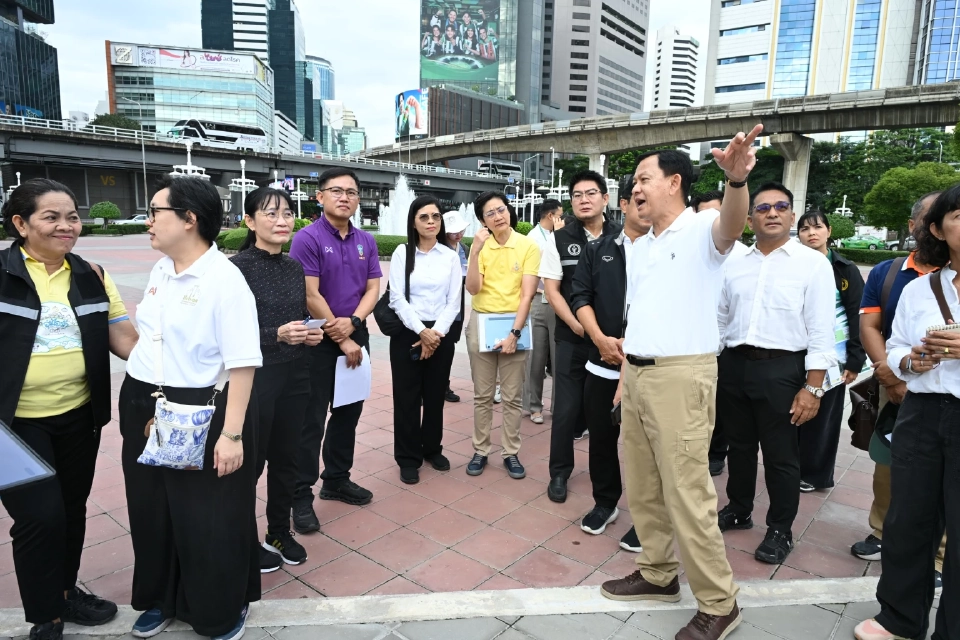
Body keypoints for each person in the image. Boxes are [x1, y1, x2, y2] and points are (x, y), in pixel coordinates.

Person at [600, 126, 763, 640]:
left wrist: (736, 181)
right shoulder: (642, 244)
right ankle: (657, 573)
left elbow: (732, 225)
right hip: (638, 373)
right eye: (633, 182)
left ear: (674, 183)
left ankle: (719, 603)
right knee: (643, 484)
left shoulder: (701, 229)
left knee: (688, 493)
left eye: (644, 178)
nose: (635, 188)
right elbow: (641, 313)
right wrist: (627, 375)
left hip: (681, 376)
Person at [121, 175, 262, 640]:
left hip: (202, 409)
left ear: (189, 219)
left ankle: (221, 607)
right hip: (146, 403)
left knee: (209, 517)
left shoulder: (225, 280)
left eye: (155, 212)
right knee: (153, 509)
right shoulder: (162, 270)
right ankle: (161, 599)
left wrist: (232, 434)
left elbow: (243, 363)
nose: (148, 221)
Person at [0, 179, 138, 640]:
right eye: (52, 217)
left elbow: (124, 338)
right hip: (13, 424)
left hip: (79, 416)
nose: (67, 226)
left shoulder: (91, 274)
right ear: (21, 224)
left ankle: (64, 592)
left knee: (71, 509)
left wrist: (181, 357)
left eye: (73, 217)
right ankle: (46, 616)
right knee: (40, 517)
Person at [854, 186, 960, 640]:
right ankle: (899, 619)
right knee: (908, 521)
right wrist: (911, 361)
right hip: (921, 411)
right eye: (959, 215)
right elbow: (895, 347)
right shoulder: (920, 289)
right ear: (938, 228)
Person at [715, 183, 837, 566]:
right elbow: (720, 318)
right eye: (763, 207)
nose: (772, 213)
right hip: (734, 365)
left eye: (781, 206)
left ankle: (780, 528)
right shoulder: (734, 261)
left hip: (783, 369)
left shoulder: (812, 264)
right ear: (749, 218)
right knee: (739, 447)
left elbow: (822, 331)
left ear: (791, 215)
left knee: (781, 455)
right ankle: (739, 508)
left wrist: (813, 389)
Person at [232, 187, 323, 574]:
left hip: (295, 373)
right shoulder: (235, 269)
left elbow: (297, 317)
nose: (282, 220)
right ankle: (241, 538)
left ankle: (278, 531)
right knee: (250, 463)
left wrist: (309, 332)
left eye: (287, 213)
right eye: (271, 214)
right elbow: (227, 334)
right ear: (250, 221)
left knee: (288, 457)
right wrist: (276, 335)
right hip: (254, 377)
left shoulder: (293, 267)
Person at [288, 168, 382, 532]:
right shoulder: (307, 238)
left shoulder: (366, 240)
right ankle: (300, 495)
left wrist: (354, 324)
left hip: (356, 334)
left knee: (348, 413)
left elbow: (373, 288)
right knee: (311, 420)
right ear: (320, 196)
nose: (345, 197)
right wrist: (340, 337)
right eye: (337, 191)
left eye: (352, 192)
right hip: (318, 342)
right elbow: (310, 294)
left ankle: (337, 479)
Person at [569, 173, 647, 547]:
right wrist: (599, 338)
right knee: (601, 437)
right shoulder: (599, 249)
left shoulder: (668, 251)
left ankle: (648, 518)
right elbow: (580, 297)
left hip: (648, 366)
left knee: (645, 445)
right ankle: (605, 501)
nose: (645, 207)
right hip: (601, 360)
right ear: (624, 204)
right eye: (638, 200)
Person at [541, 171, 621, 503]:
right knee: (566, 409)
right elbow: (552, 290)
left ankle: (606, 480)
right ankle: (559, 472)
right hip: (572, 338)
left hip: (613, 344)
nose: (583, 200)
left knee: (606, 414)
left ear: (605, 198)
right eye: (577, 195)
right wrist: (579, 326)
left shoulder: (623, 236)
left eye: (590, 193)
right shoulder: (558, 239)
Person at [465, 192, 540, 480]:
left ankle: (510, 452)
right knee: (483, 395)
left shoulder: (528, 245)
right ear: (482, 220)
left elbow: (527, 295)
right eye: (490, 213)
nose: (498, 216)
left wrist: (514, 333)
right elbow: (473, 288)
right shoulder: (481, 246)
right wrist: (474, 251)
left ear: (508, 210)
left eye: (501, 209)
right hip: (482, 321)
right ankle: (481, 450)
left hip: (514, 322)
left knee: (511, 396)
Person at [388, 196, 462, 485]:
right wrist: (422, 332)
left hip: (440, 334)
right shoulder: (402, 253)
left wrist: (435, 334)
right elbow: (397, 298)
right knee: (406, 399)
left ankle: (432, 448)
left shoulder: (450, 256)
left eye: (436, 216)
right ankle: (408, 458)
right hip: (408, 332)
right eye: (424, 217)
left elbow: (454, 302)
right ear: (413, 222)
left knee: (434, 396)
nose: (431, 222)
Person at [796, 210, 865, 492]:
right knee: (795, 410)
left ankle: (815, 475)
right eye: (805, 229)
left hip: (834, 356)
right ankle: (791, 467)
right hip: (797, 351)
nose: (811, 233)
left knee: (824, 417)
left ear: (829, 231)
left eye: (817, 227)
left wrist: (855, 360)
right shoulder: (793, 265)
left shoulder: (845, 269)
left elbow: (857, 314)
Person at [523, 199, 563, 425]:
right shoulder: (533, 238)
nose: (562, 219)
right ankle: (534, 406)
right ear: (551, 216)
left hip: (558, 301)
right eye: (560, 215)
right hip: (538, 300)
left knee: (559, 358)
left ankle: (559, 406)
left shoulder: (560, 235)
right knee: (536, 358)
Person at [442, 209, 470, 403]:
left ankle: (444, 385)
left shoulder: (465, 249)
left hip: (456, 307)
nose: (458, 234)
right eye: (454, 231)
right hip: (438, 306)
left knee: (449, 347)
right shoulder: (438, 248)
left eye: (461, 230)